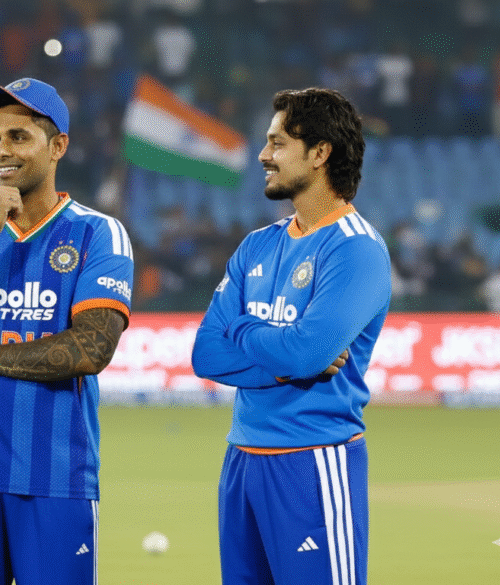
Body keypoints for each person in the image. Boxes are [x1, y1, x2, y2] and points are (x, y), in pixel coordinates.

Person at [0, 78, 134, 585]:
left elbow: (90, 348)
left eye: (19, 137)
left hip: (55, 480)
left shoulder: (97, 233)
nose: (1, 152)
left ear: (58, 147)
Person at [191, 88, 391, 585]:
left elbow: (304, 353)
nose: (263, 155)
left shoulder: (356, 250)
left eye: (278, 143)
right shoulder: (258, 244)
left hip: (313, 463)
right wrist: (275, 347)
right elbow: (205, 354)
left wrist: (237, 325)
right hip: (241, 460)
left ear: (320, 153)